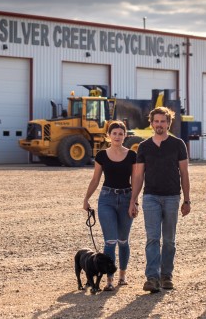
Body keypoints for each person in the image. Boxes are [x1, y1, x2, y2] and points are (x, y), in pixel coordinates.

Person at [128, 106, 191, 293]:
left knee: (169, 240)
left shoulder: (178, 144)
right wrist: (134, 200)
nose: (159, 124)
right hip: (150, 197)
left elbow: (184, 174)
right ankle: (152, 278)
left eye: (163, 121)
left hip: (172, 197)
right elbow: (138, 176)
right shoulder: (144, 146)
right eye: (156, 121)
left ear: (168, 123)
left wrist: (187, 200)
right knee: (152, 239)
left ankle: (166, 276)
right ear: (151, 123)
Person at [83, 120, 136, 291]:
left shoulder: (132, 156)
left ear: (125, 135)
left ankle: (122, 276)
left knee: (123, 241)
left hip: (126, 198)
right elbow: (95, 179)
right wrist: (86, 199)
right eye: (114, 133)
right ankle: (109, 280)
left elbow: (136, 180)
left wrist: (134, 201)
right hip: (106, 199)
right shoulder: (101, 156)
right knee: (110, 241)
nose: (118, 136)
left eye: (121, 133)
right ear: (109, 135)